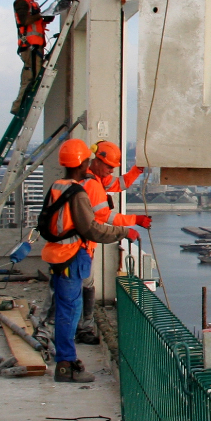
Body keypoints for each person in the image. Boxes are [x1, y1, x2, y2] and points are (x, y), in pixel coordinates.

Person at [39, 139, 136, 383]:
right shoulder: (78, 192)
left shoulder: (57, 186)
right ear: (84, 162)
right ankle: (66, 364)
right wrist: (125, 232)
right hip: (73, 256)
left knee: (63, 307)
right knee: (70, 310)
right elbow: (92, 229)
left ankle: (64, 358)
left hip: (58, 255)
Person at [76, 141, 151, 343]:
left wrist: (137, 170)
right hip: (80, 245)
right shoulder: (92, 185)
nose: (111, 171)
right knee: (80, 287)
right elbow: (106, 218)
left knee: (83, 285)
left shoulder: (96, 179)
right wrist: (134, 221)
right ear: (97, 161)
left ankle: (80, 326)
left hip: (82, 244)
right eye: (109, 166)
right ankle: (81, 329)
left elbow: (119, 184)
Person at [12, 0, 52, 114]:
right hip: (30, 47)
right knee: (30, 79)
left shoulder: (32, 5)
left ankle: (21, 107)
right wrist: (41, 15)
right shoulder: (21, 3)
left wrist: (45, 17)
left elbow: (33, 23)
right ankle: (19, 108)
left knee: (34, 78)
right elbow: (24, 21)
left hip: (35, 47)